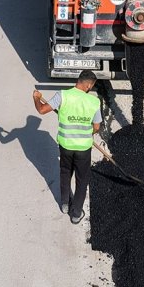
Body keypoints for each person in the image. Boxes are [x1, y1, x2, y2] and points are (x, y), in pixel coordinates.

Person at [33, 71, 103, 225]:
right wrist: (87, 131)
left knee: (65, 173)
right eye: (92, 85)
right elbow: (96, 127)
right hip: (83, 148)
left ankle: (65, 204)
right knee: (82, 179)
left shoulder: (63, 95)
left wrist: (36, 98)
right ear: (88, 84)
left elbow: (42, 110)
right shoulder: (94, 102)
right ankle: (76, 213)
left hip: (65, 145)